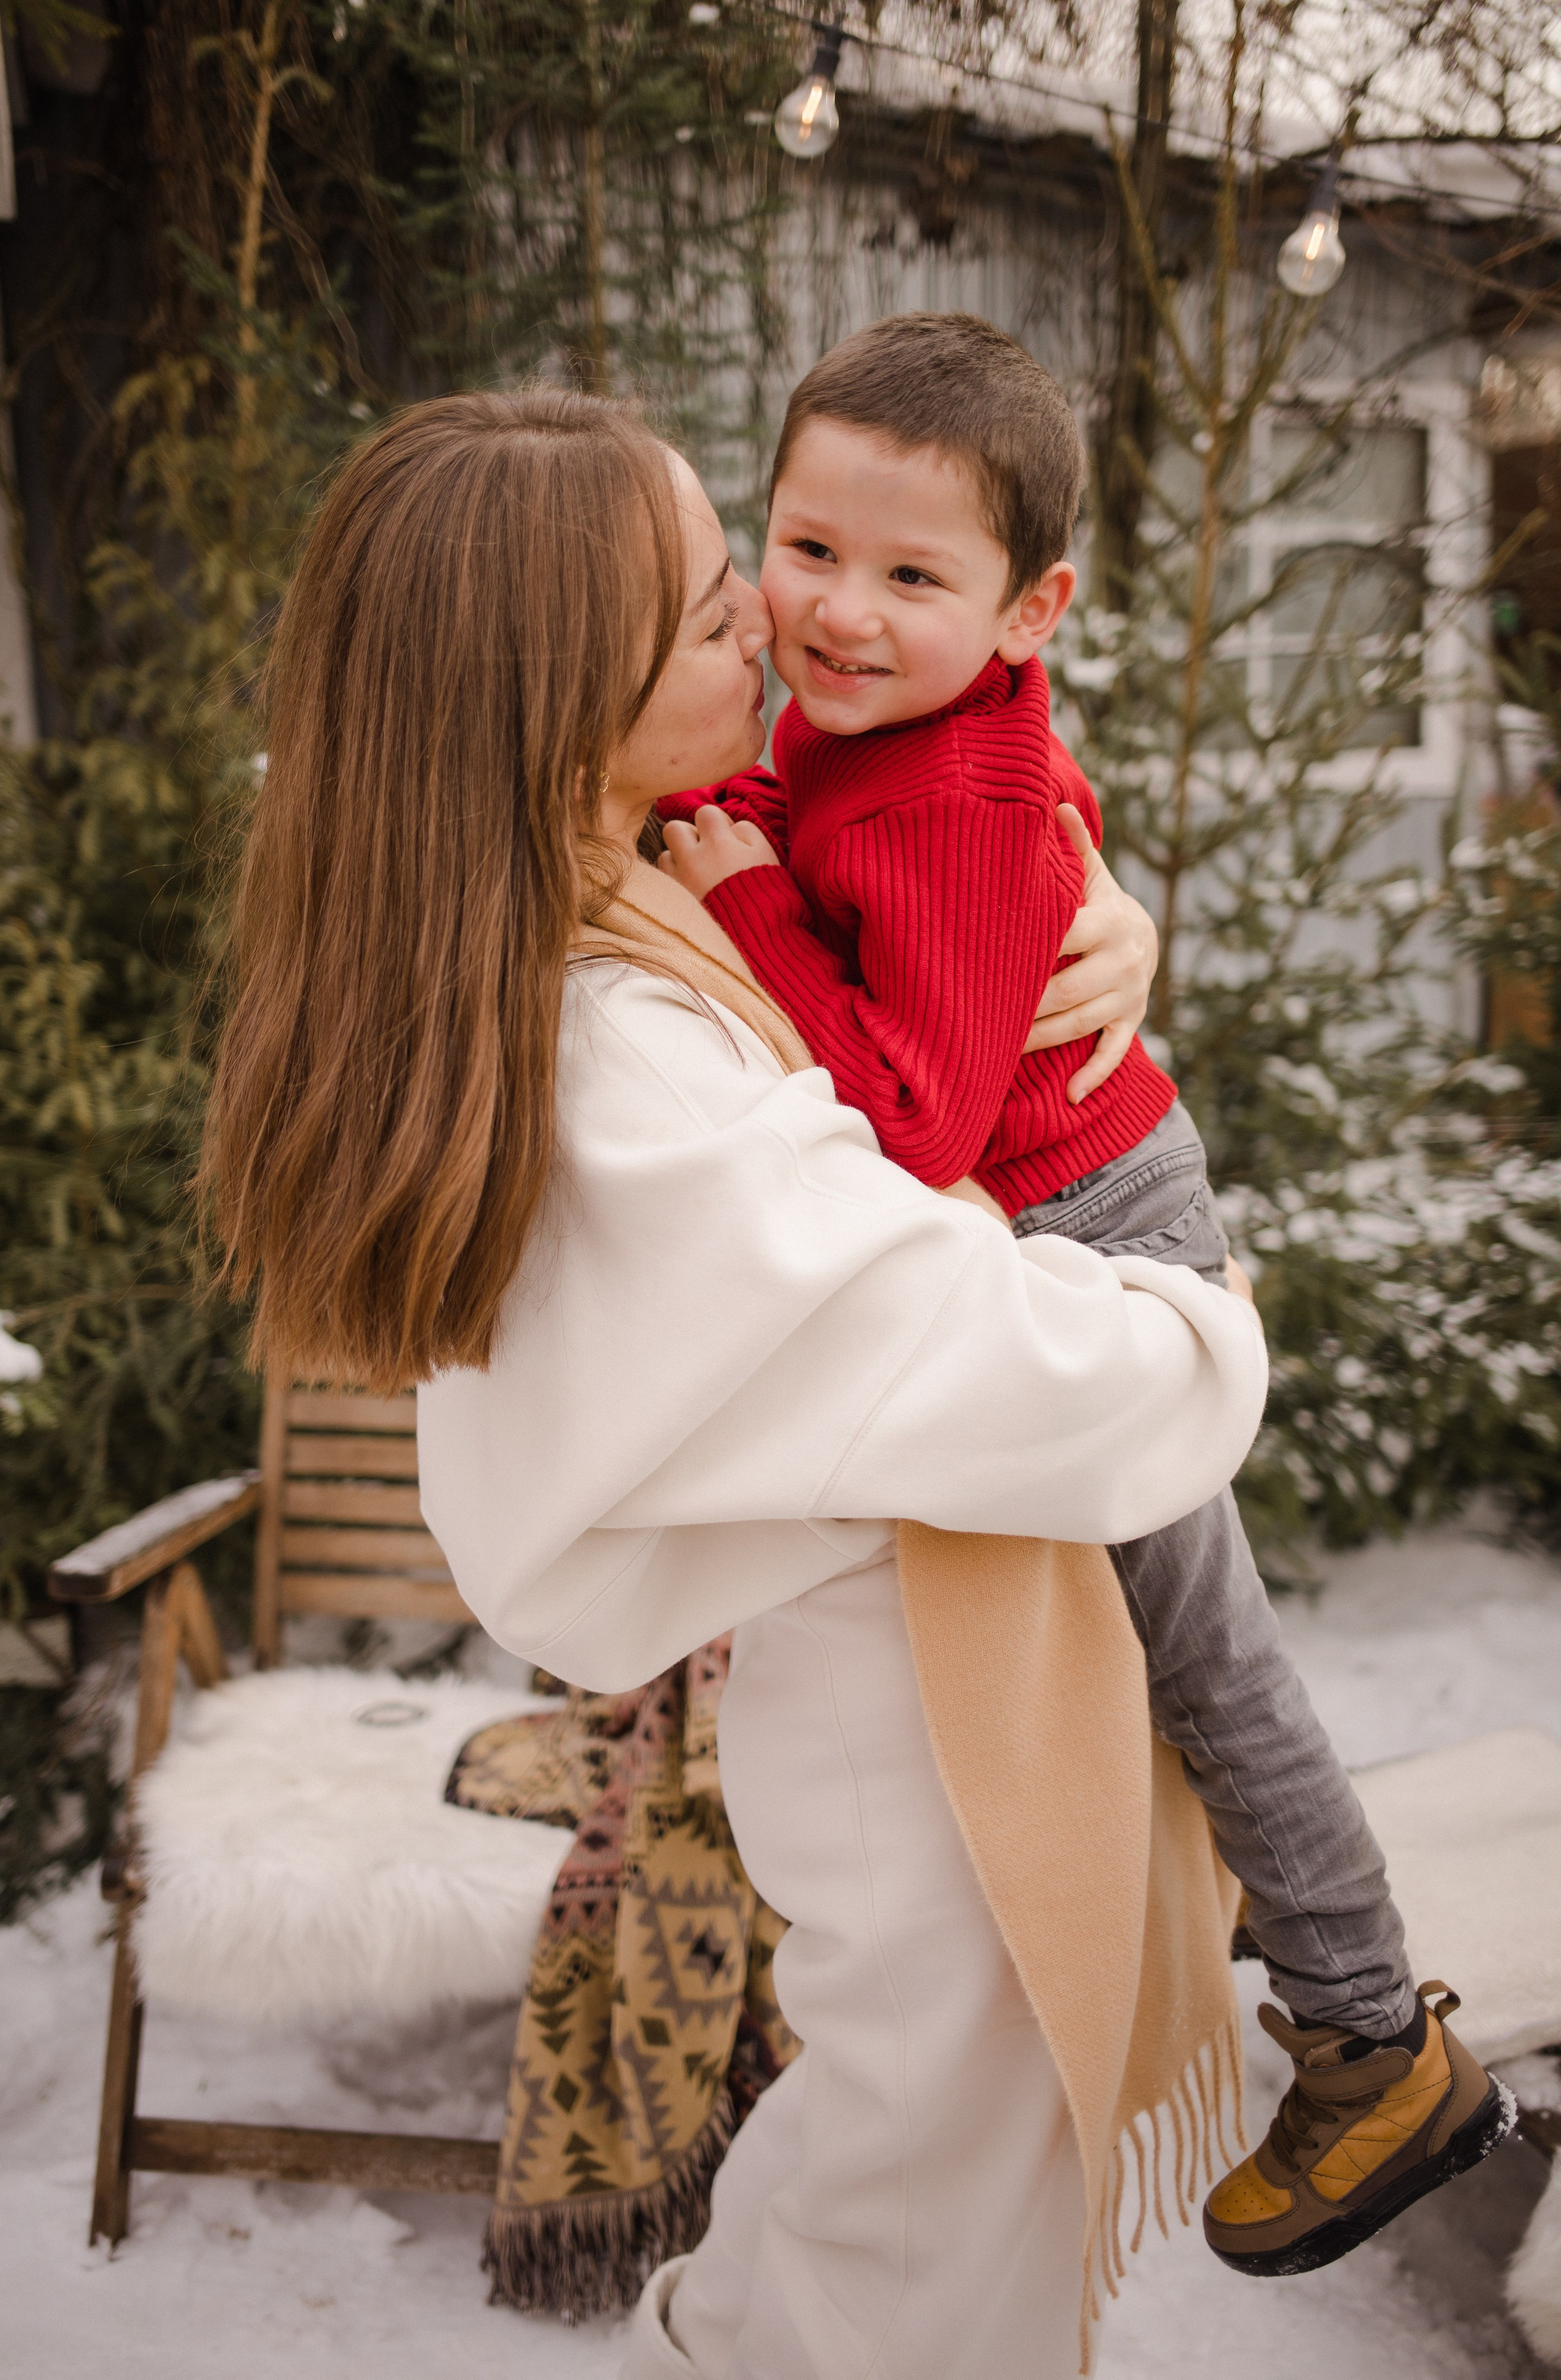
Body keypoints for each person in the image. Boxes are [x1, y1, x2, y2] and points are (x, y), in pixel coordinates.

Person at [201, 387, 1270, 2379]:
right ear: (555, 709)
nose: (771, 632)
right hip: (918, 1737)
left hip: (895, 1695)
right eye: (711, 616)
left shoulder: (652, 895)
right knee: (923, 2240)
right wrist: (1205, 1296)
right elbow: (1024, 1353)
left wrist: (1080, 924)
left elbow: (910, 1021)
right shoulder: (631, 1065)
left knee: (891, 2190)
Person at [653, 311, 1515, 2278]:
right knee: (1167, 1642)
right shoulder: (884, 733)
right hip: (1057, 1208)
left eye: (910, 577)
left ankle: (1378, 2042)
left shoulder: (941, 794)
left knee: (1212, 1651)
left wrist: (747, 903)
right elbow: (995, 815)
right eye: (806, 550)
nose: (837, 616)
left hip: (1104, 1236)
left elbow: (913, 1110)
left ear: (1030, 605)